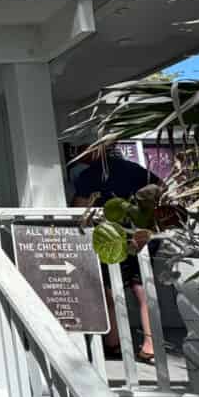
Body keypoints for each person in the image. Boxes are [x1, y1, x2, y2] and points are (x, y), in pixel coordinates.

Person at [72, 146, 160, 364]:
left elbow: (79, 207)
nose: (80, 157)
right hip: (140, 234)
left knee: (110, 289)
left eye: (83, 152)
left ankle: (114, 342)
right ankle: (150, 344)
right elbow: (161, 189)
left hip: (110, 236)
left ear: (95, 152)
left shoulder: (89, 175)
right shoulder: (135, 169)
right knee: (141, 287)